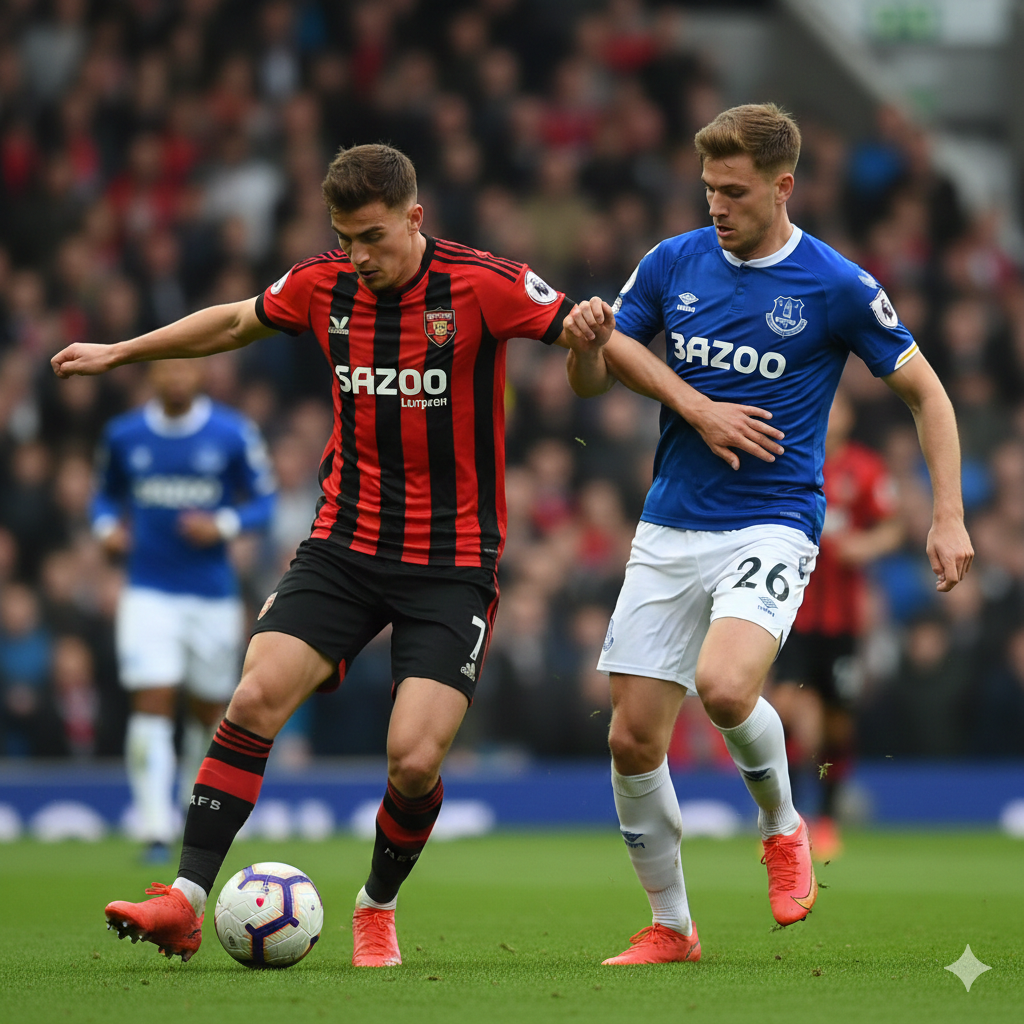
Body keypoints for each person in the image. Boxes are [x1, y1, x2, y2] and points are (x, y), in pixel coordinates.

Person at [51, 143, 782, 967]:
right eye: (344, 237)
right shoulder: (323, 283)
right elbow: (232, 321)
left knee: (414, 758)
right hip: (343, 544)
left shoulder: (483, 284)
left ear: (414, 217)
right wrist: (121, 352)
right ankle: (182, 900)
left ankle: (376, 904)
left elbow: (593, 364)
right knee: (253, 695)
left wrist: (609, 358)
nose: (357, 256)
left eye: (371, 237)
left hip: (451, 562)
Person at [563, 103, 973, 965]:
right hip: (671, 522)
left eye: (735, 192)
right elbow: (599, 380)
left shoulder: (836, 285)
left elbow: (928, 393)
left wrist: (946, 515)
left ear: (783, 187)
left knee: (723, 684)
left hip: (775, 518)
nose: (717, 205)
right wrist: (593, 352)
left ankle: (785, 828)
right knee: (632, 737)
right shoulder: (673, 260)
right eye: (709, 188)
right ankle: (671, 927)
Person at [92, 359, 276, 863]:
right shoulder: (125, 435)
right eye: (165, 370)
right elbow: (104, 497)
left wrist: (223, 523)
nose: (175, 378)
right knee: (151, 699)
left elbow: (264, 500)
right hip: (148, 590)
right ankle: (154, 827)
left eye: (184, 369)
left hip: (211, 594)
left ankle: (194, 811)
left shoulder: (233, 432)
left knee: (208, 710)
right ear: (151, 377)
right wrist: (107, 529)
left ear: (201, 376)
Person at [770, 388, 903, 860]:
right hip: (793, 613)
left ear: (849, 415)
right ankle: (784, 815)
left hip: (842, 620)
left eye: (839, 407)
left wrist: (867, 546)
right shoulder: (790, 456)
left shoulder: (865, 469)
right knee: (786, 705)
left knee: (838, 723)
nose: (830, 414)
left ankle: (824, 818)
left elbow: (893, 525)